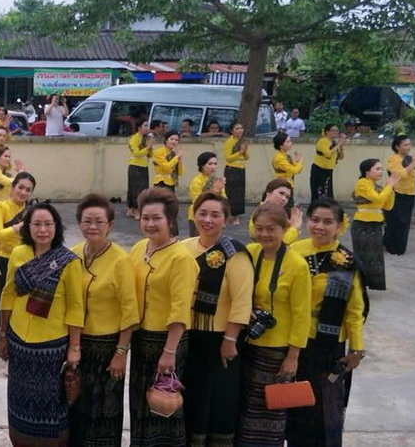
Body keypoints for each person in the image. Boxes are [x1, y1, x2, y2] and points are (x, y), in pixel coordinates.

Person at [0, 202, 86, 445]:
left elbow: (75, 307)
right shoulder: (19, 254)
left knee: (51, 406)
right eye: (36, 224)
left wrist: (74, 347)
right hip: (19, 343)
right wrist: (3, 335)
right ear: (28, 227)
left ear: (56, 227)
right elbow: (8, 295)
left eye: (48, 224)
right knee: (19, 401)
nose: (43, 230)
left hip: (51, 348)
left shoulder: (69, 261)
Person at [287, 199, 367, 447]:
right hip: (294, 342)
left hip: (328, 346)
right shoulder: (294, 251)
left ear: (339, 226)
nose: (320, 226)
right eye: (315, 220)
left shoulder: (347, 261)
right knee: (295, 404)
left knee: (326, 406)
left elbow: (354, 311)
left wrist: (357, 349)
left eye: (328, 221)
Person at [181, 193, 253, 446]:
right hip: (188, 335)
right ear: (193, 215)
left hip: (220, 338)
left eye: (215, 215)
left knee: (217, 398)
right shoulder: (184, 248)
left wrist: (230, 339)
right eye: (202, 213)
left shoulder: (235, 254)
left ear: (226, 219)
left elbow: (242, 300)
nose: (207, 220)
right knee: (191, 395)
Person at [128, 187, 198, 445]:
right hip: (141, 341)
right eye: (145, 218)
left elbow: (181, 308)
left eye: (156, 218)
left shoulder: (181, 258)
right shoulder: (139, 248)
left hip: (167, 342)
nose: (150, 224)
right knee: (140, 404)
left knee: (163, 407)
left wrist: (169, 351)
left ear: (170, 220)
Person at [237, 203, 311, 446]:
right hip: (248, 343)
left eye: (271, 229)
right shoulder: (250, 253)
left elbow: (302, 315)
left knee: (271, 408)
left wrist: (293, 356)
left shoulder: (297, 265)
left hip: (277, 351)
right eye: (259, 228)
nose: (264, 234)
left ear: (285, 229)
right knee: (246, 406)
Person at [68, 194, 139, 446]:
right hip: (78, 344)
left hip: (108, 347)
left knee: (105, 410)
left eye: (99, 221)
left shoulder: (120, 260)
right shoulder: (73, 255)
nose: (93, 226)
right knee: (77, 408)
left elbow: (130, 311)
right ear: (79, 223)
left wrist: (121, 352)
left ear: (110, 225)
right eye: (87, 221)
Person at [0, 171, 36, 310]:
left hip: (25, 260)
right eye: (20, 187)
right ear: (12, 187)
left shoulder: (31, 210)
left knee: (23, 302)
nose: (23, 192)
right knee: (4, 301)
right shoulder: (0, 207)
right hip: (4, 260)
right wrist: (20, 226)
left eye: (28, 190)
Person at [351, 159, 399, 291]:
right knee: (363, 255)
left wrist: (391, 188)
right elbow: (378, 199)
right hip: (363, 224)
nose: (380, 172)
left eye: (381, 169)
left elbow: (388, 206)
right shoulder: (362, 183)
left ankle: (370, 284)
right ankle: (359, 284)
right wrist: (389, 186)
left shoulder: (376, 186)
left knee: (375, 256)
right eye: (377, 169)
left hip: (376, 224)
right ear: (367, 171)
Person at [384, 134, 415, 256]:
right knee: (396, 221)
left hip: (410, 194)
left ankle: (398, 247)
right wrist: (414, 163)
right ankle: (392, 247)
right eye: (405, 145)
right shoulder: (393, 159)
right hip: (396, 193)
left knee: (404, 222)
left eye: (409, 144)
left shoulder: (411, 159)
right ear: (397, 147)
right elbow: (400, 174)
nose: (408, 147)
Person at [248, 179, 303, 245]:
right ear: (268, 192)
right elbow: (278, 243)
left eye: (287, 197)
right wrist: (294, 228)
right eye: (281, 193)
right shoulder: (261, 213)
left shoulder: (281, 214)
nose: (284, 199)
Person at [187, 152, 226, 237]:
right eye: (210, 164)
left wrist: (219, 191)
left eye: (215, 164)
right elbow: (197, 201)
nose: (213, 167)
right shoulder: (197, 181)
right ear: (202, 165)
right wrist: (215, 191)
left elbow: (224, 199)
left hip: (214, 215)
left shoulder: (216, 180)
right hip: (198, 215)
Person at [310, 124, 346, 202]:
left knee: (328, 193)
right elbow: (328, 154)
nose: (335, 132)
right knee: (319, 193)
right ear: (327, 132)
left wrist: (341, 146)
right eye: (333, 130)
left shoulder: (334, 143)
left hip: (329, 170)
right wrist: (339, 144)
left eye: (337, 130)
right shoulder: (323, 141)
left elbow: (341, 157)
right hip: (319, 169)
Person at [127, 121, 155, 219]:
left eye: (148, 126)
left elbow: (150, 155)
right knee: (135, 189)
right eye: (145, 126)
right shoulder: (134, 138)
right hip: (135, 166)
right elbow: (136, 153)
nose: (147, 128)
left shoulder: (146, 138)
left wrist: (150, 147)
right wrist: (148, 147)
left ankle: (132, 209)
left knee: (143, 189)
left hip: (144, 166)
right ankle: (135, 210)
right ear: (139, 127)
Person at [223, 121, 249, 225]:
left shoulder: (242, 141)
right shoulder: (230, 141)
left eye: (241, 128)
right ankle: (228, 215)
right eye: (237, 128)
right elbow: (228, 158)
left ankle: (236, 216)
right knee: (231, 193)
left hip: (241, 169)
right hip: (232, 169)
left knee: (239, 194)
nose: (240, 130)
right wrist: (240, 152)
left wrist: (245, 151)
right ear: (232, 131)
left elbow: (247, 157)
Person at [0, 145, 26, 212]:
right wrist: (20, 172)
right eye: (6, 156)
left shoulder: (7, 175)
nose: (8, 159)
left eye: (9, 157)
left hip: (6, 209)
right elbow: (10, 182)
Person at [271, 131, 303, 203]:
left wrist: (298, 162)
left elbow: (297, 169)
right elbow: (295, 170)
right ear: (281, 145)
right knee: (284, 205)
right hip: (282, 184)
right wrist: (300, 162)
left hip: (288, 183)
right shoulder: (279, 158)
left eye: (290, 141)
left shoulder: (285, 155)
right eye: (288, 142)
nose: (290, 143)